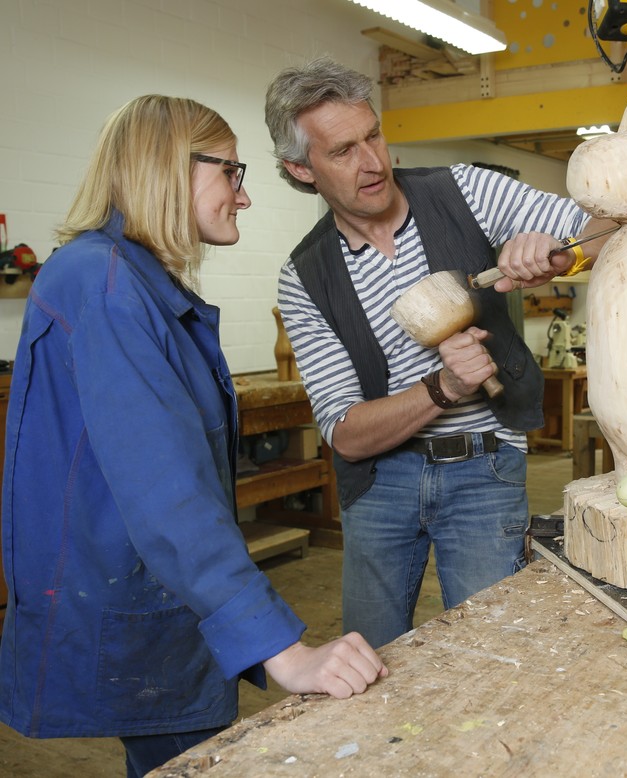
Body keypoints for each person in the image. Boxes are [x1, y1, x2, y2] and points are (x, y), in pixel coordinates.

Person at [0, 95, 387, 777]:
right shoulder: (108, 284)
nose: (242, 197)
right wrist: (286, 652)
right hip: (139, 602)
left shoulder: (128, 280)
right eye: (231, 173)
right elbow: (168, 496)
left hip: (165, 600)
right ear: (169, 168)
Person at [265, 57, 616, 649]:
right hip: (379, 485)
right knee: (370, 658)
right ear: (301, 169)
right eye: (343, 151)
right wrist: (443, 388)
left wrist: (563, 256)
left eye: (373, 135)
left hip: (484, 467)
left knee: (494, 652)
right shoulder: (304, 276)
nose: (373, 162)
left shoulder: (466, 191)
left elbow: (610, 227)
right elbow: (345, 433)